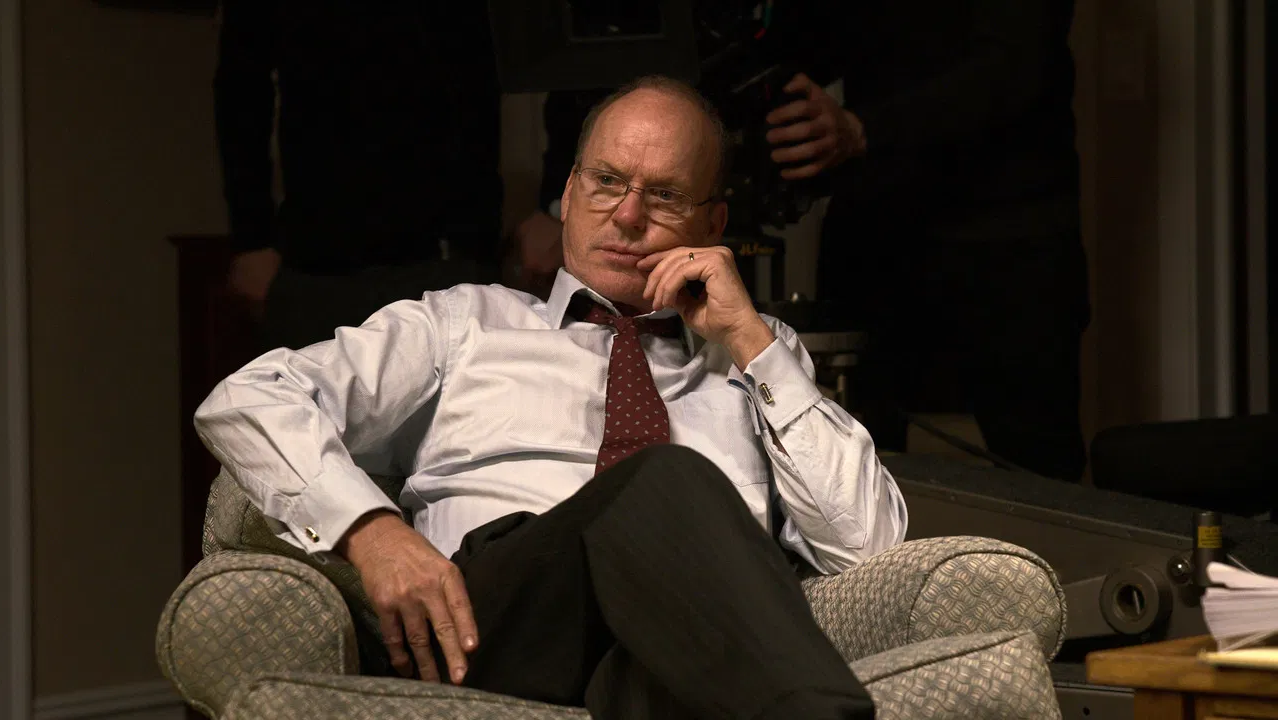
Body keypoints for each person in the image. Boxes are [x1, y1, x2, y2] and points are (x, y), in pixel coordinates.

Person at [195, 76, 906, 719]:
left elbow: (868, 550)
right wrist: (372, 532)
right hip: (492, 622)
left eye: (664, 196)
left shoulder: (758, 354)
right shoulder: (461, 323)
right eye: (606, 182)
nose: (628, 216)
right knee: (663, 479)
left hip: (670, 649)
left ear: (714, 226)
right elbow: (249, 398)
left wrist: (751, 340)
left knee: (660, 679)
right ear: (567, 194)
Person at [762, 0, 1089, 481]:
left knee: (1038, 465)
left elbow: (1015, 67)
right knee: (858, 459)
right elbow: (809, 45)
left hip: (1009, 236)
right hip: (875, 229)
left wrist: (862, 130)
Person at [214, 0, 506, 351]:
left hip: (450, 252)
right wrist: (252, 237)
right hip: (319, 259)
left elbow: (480, 71)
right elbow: (242, 87)